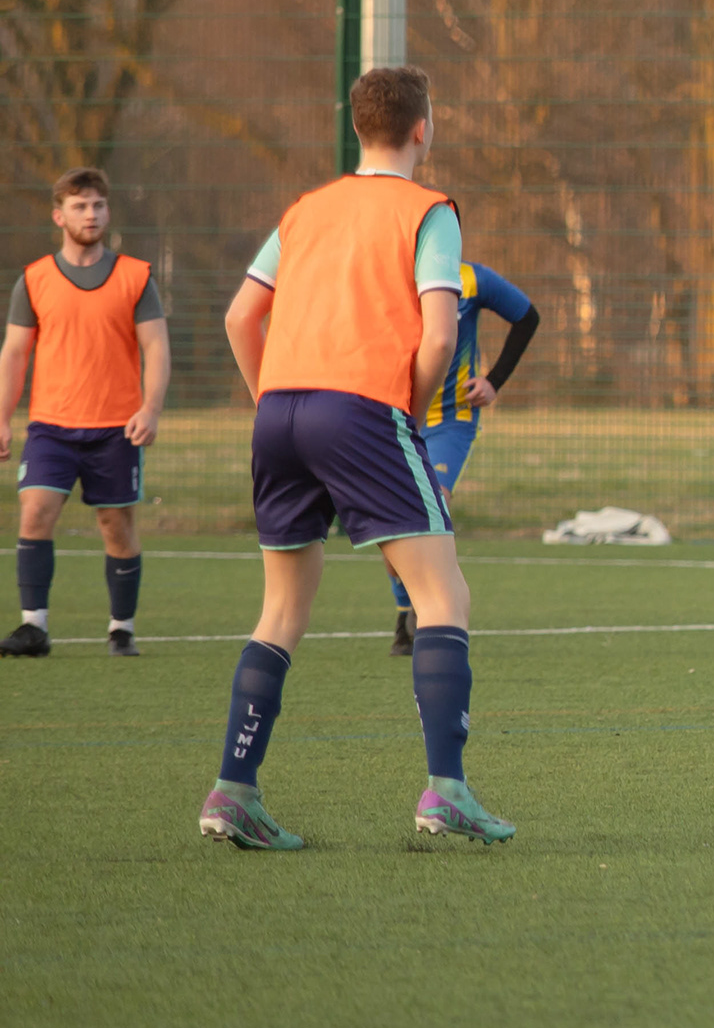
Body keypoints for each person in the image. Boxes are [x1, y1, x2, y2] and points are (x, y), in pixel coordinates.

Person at [197, 65, 511, 849]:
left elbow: (241, 316)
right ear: (423, 129)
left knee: (281, 609)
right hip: (362, 408)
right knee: (445, 597)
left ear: (356, 127)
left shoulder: (305, 210)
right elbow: (439, 334)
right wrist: (405, 405)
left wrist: (271, 398)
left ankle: (233, 790)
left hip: (280, 409)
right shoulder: (429, 211)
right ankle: (447, 792)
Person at [3, 167, 168, 659]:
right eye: (79, 206)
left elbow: (156, 347)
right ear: (59, 216)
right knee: (35, 511)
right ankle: (34, 627)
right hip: (51, 426)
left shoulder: (135, 277)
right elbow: (14, 353)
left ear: (107, 211)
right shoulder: (33, 280)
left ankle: (121, 629)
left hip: (116, 428)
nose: (90, 214)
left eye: (98, 204)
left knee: (116, 526)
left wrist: (151, 408)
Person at [386, 256, 542, 655]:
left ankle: (431, 613)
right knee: (391, 518)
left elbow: (528, 317)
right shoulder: (384, 276)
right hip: (392, 415)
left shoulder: (471, 279)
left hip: (449, 422)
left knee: (432, 504)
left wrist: (494, 381)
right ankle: (406, 608)